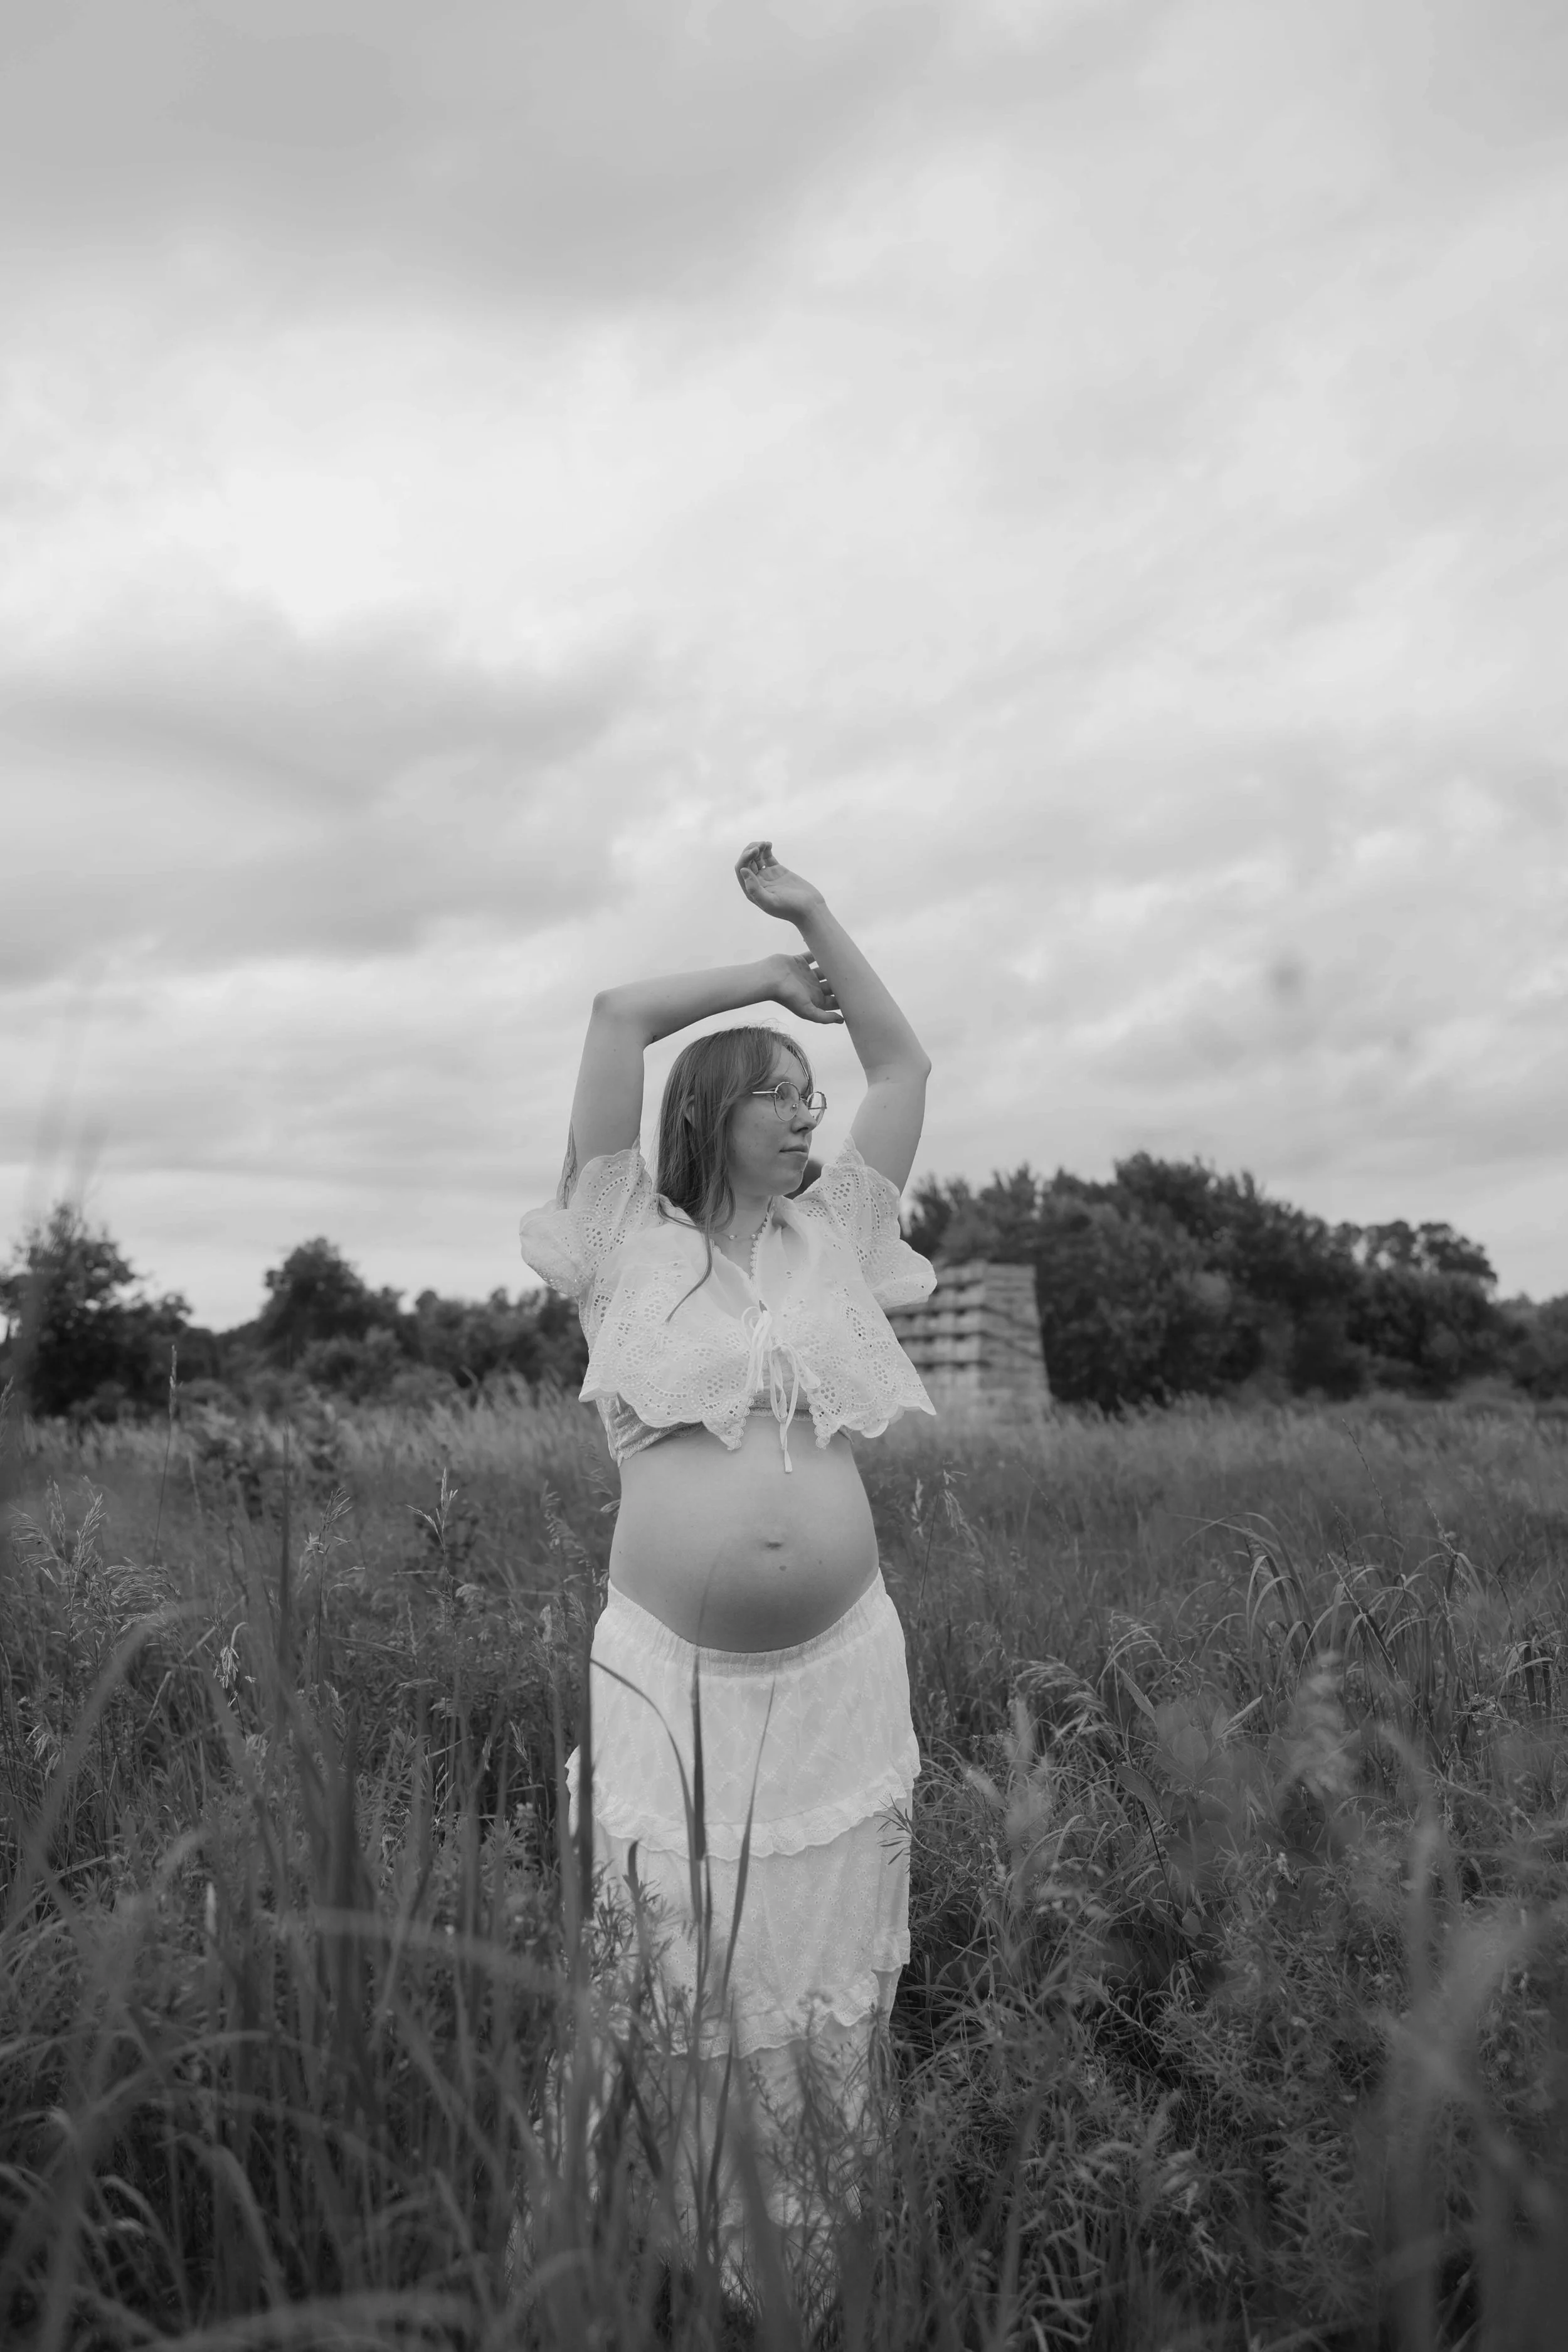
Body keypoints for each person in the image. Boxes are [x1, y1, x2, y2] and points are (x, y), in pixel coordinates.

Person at [518, 840, 936, 2297]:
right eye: (777, 1092)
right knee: (669, 1965)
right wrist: (760, 971)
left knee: (811, 1979)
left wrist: (824, 914)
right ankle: (649, 2254)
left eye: (807, 1100)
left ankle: (797, 2278)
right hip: (667, 1672)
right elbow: (616, 1016)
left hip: (838, 1670)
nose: (807, 1117)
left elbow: (904, 1063)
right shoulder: (617, 1238)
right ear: (713, 1109)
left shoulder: (839, 1238)